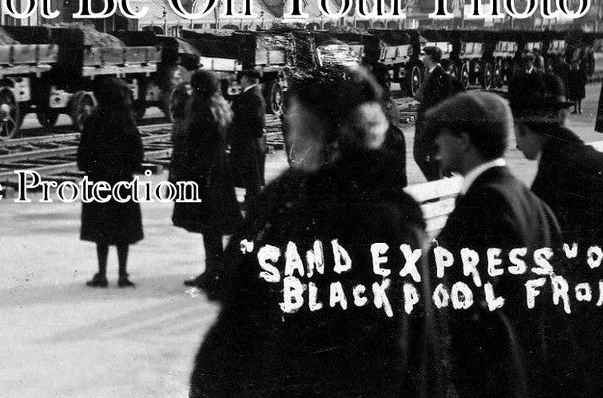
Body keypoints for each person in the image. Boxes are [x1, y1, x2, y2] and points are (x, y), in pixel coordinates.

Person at [190, 67, 442, 398]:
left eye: (296, 119)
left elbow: (375, 359)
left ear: (322, 131)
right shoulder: (381, 208)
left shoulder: (318, 214)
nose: (290, 127)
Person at [425, 91, 590, 398]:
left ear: (464, 141)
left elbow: (471, 315)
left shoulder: (484, 204)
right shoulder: (529, 200)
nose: (435, 144)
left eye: (441, 134)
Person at [514, 74, 603, 397]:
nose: (515, 144)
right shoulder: (582, 158)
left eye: (517, 133)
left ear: (522, 127)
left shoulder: (556, 175)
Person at [171, 69, 241, 291]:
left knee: (209, 226)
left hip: (204, 176)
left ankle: (213, 273)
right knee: (213, 227)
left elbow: (198, 149)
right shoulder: (218, 107)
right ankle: (216, 269)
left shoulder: (201, 112)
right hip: (218, 173)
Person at [77, 77, 144, 288]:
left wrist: (90, 169)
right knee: (123, 229)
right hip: (123, 180)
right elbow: (138, 155)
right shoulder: (128, 120)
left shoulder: (93, 120)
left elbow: (83, 155)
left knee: (101, 229)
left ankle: (102, 274)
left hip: (98, 180)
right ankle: (123, 274)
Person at [413, 46, 453, 180]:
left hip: (432, 125)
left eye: (423, 55)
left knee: (426, 156)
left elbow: (444, 103)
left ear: (430, 57)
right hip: (425, 124)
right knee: (421, 156)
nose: (421, 58)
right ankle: (436, 182)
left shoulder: (442, 76)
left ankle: (436, 183)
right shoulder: (429, 73)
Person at [227, 68, 267, 203]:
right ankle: (251, 199)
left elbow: (257, 121)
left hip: (248, 142)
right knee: (250, 173)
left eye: (241, 78)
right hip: (247, 141)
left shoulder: (253, 95)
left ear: (245, 79)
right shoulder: (251, 93)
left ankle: (253, 202)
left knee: (251, 174)